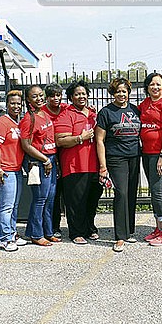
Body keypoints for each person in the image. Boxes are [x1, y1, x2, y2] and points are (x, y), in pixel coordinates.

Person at [95, 78, 142, 253]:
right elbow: (99, 140)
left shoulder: (135, 110)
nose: (121, 94)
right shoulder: (106, 112)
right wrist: (103, 166)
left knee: (131, 193)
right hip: (116, 157)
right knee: (121, 193)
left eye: (124, 91)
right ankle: (120, 236)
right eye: (118, 91)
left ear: (129, 92)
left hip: (134, 156)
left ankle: (129, 230)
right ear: (113, 93)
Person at [54, 81, 102, 245]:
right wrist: (80, 138)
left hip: (94, 164)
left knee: (92, 200)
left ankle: (89, 228)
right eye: (77, 94)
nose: (81, 97)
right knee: (76, 202)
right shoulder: (66, 115)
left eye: (83, 93)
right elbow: (60, 140)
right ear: (71, 97)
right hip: (75, 165)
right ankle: (76, 232)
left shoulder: (93, 114)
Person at [139, 73, 162, 246]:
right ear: (147, 87)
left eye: (158, 84)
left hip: (161, 154)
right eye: (152, 84)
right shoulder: (145, 104)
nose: (155, 87)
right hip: (147, 152)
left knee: (158, 191)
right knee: (153, 191)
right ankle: (158, 227)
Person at [20, 85, 60, 246]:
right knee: (40, 199)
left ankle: (47, 231)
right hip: (38, 161)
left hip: (51, 159)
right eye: (34, 96)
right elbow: (26, 145)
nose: (39, 98)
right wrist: (45, 160)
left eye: (40, 95)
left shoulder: (44, 113)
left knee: (50, 198)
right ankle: (36, 234)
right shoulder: (28, 119)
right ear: (28, 100)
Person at [0, 90, 26, 252]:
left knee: (14, 205)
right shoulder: (2, 122)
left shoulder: (18, 123)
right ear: (7, 104)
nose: (16, 106)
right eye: (12, 103)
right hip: (4, 170)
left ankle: (12, 233)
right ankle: (4, 238)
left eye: (18, 103)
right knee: (6, 206)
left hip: (16, 169)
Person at [41, 83, 67, 239]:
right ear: (47, 97)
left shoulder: (65, 108)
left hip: (66, 153)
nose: (55, 98)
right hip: (49, 156)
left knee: (65, 192)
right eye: (52, 96)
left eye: (58, 95)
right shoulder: (42, 112)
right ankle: (52, 226)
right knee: (52, 195)